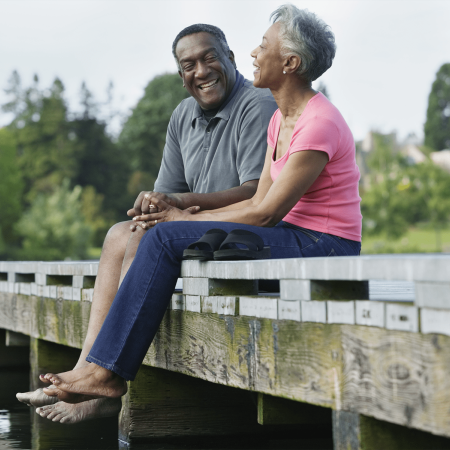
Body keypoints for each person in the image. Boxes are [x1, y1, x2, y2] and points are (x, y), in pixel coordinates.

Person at [36, 4, 362, 412]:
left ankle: (104, 374)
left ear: (291, 62)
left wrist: (178, 218)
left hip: (325, 244)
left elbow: (264, 213)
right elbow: (259, 201)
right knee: (158, 233)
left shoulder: (319, 123)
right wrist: (178, 217)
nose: (254, 54)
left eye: (263, 47)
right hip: (291, 235)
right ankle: (98, 370)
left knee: (163, 239)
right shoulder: (282, 119)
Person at [16, 24, 277, 423]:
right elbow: (168, 192)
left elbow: (257, 193)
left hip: (238, 233)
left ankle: (104, 377)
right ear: (180, 75)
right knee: (122, 232)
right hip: (198, 230)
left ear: (230, 59)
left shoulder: (255, 103)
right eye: (189, 65)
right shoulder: (182, 115)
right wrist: (154, 204)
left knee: (145, 240)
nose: (202, 71)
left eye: (210, 58)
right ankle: (90, 369)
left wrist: (180, 204)